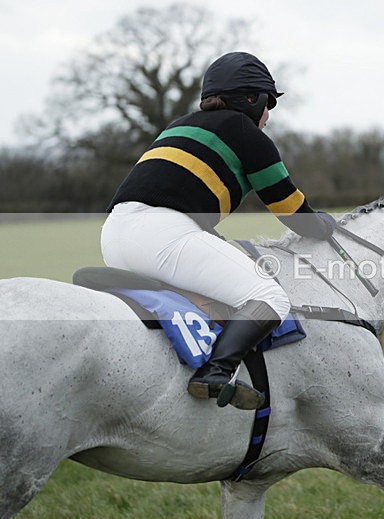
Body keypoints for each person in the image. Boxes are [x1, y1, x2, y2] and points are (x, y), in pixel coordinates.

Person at [101, 51, 335, 409]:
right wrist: (328, 226)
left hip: (114, 233)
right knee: (270, 298)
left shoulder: (179, 125)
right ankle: (216, 372)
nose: (268, 116)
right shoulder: (246, 133)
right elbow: (293, 213)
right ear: (252, 99)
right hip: (162, 235)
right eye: (268, 104)